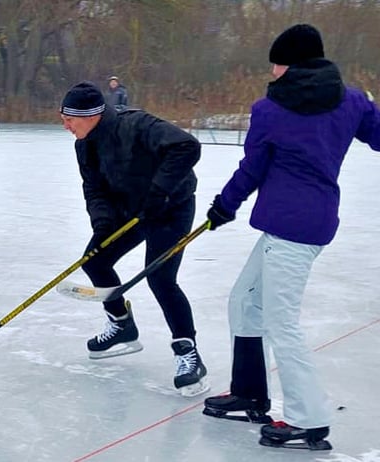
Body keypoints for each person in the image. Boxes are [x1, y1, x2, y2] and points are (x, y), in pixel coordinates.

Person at [202, 24, 380, 451]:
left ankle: (309, 419)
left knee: (281, 322)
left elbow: (252, 169)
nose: (274, 70)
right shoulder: (352, 100)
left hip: (291, 232)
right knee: (245, 300)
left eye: (277, 62)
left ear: (292, 64)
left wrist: (224, 205)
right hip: (307, 224)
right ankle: (249, 393)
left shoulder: (270, 109)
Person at [59, 81, 207, 397]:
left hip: (170, 208)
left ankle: (188, 353)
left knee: (160, 278)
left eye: (70, 118)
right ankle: (122, 324)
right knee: (96, 260)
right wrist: (102, 223)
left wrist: (159, 191)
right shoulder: (84, 145)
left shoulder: (137, 124)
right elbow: (94, 188)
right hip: (131, 210)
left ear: (91, 115)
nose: (66, 125)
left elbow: (187, 147)